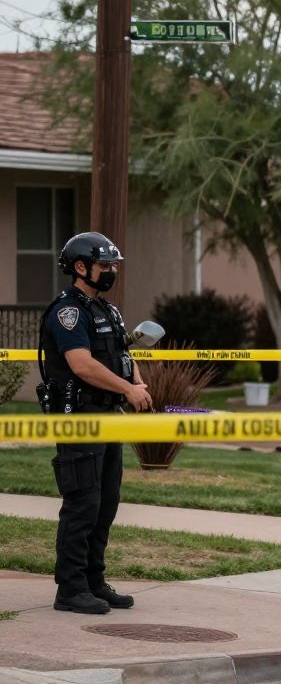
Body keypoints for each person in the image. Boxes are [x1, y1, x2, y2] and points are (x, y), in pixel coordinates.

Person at [38, 232, 152, 614]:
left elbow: (121, 351)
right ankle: (70, 589)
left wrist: (136, 382)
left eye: (114, 266)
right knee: (83, 503)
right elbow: (82, 364)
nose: (112, 272)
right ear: (81, 267)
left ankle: (93, 581)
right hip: (79, 418)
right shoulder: (67, 312)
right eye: (106, 266)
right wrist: (127, 389)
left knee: (106, 503)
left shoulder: (107, 310)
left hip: (108, 416)